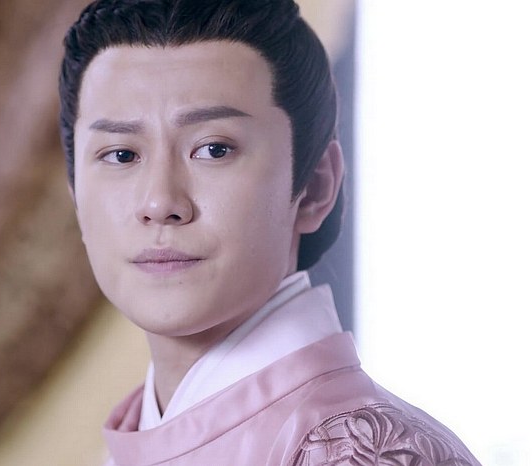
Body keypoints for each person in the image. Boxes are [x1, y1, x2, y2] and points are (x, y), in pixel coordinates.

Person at [58, 0, 480, 464]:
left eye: (214, 149)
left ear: (316, 186)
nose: (160, 203)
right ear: (75, 195)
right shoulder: (137, 441)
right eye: (121, 155)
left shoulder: (361, 452)